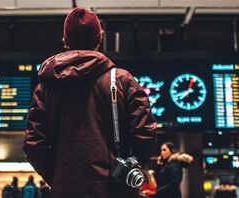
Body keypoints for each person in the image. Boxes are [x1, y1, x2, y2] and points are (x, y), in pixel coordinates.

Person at [23, 7, 156, 198]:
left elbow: (33, 144)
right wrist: (129, 167)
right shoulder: (121, 80)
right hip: (114, 189)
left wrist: (58, 178)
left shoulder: (46, 87)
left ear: (66, 40)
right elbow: (145, 132)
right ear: (98, 38)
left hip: (65, 191)